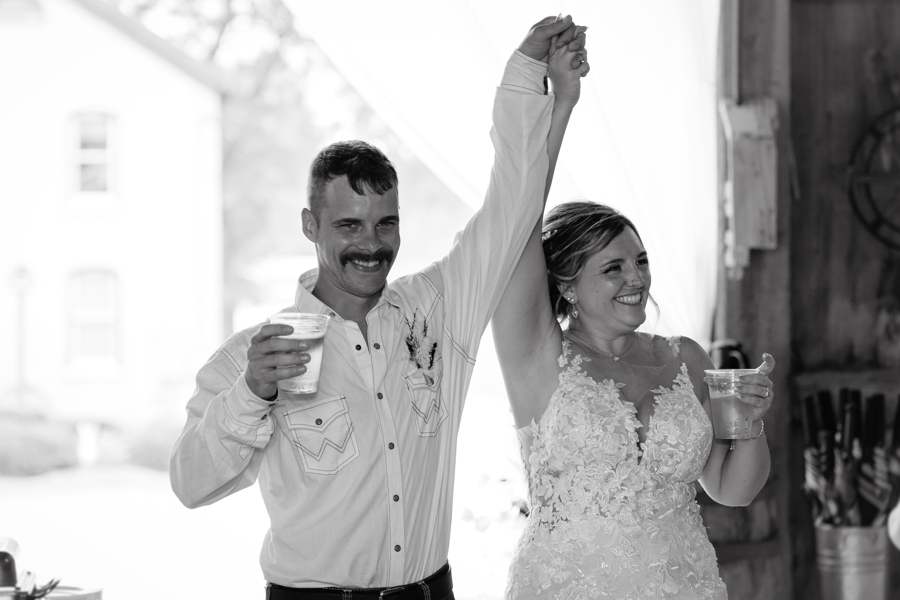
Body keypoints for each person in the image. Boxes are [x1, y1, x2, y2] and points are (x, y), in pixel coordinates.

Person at [168, 16, 589, 600]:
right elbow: (190, 484)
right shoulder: (251, 356)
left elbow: (512, 203)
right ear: (310, 227)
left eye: (385, 223)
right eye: (348, 225)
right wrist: (253, 392)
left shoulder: (440, 308)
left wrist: (526, 75)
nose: (372, 245)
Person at [491, 76, 775, 600]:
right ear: (566, 286)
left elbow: (732, 490)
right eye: (613, 268)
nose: (637, 279)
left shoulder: (685, 356)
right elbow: (515, 218)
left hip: (684, 586)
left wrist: (751, 426)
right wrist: (562, 106)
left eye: (641, 261)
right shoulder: (537, 356)